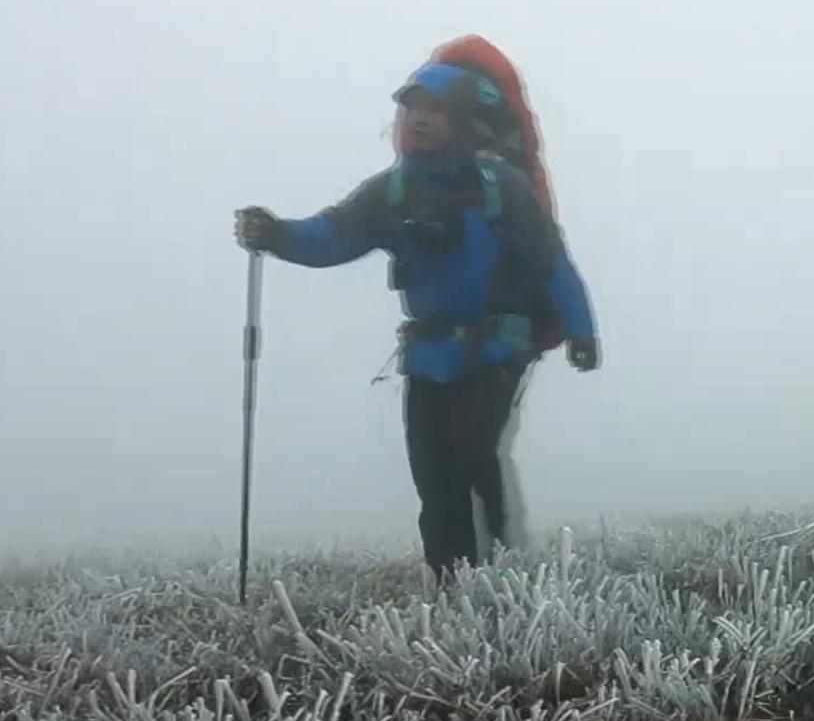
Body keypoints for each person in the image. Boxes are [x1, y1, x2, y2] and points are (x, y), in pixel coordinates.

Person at [233, 60, 600, 583]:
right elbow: (332, 236)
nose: (420, 120)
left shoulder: (502, 187)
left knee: (469, 456)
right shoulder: (391, 191)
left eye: (435, 110)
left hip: (497, 348)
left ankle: (498, 578)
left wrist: (580, 329)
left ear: (461, 121)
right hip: (429, 357)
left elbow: (549, 262)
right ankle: (456, 585)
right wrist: (276, 235)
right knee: (434, 475)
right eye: (411, 109)